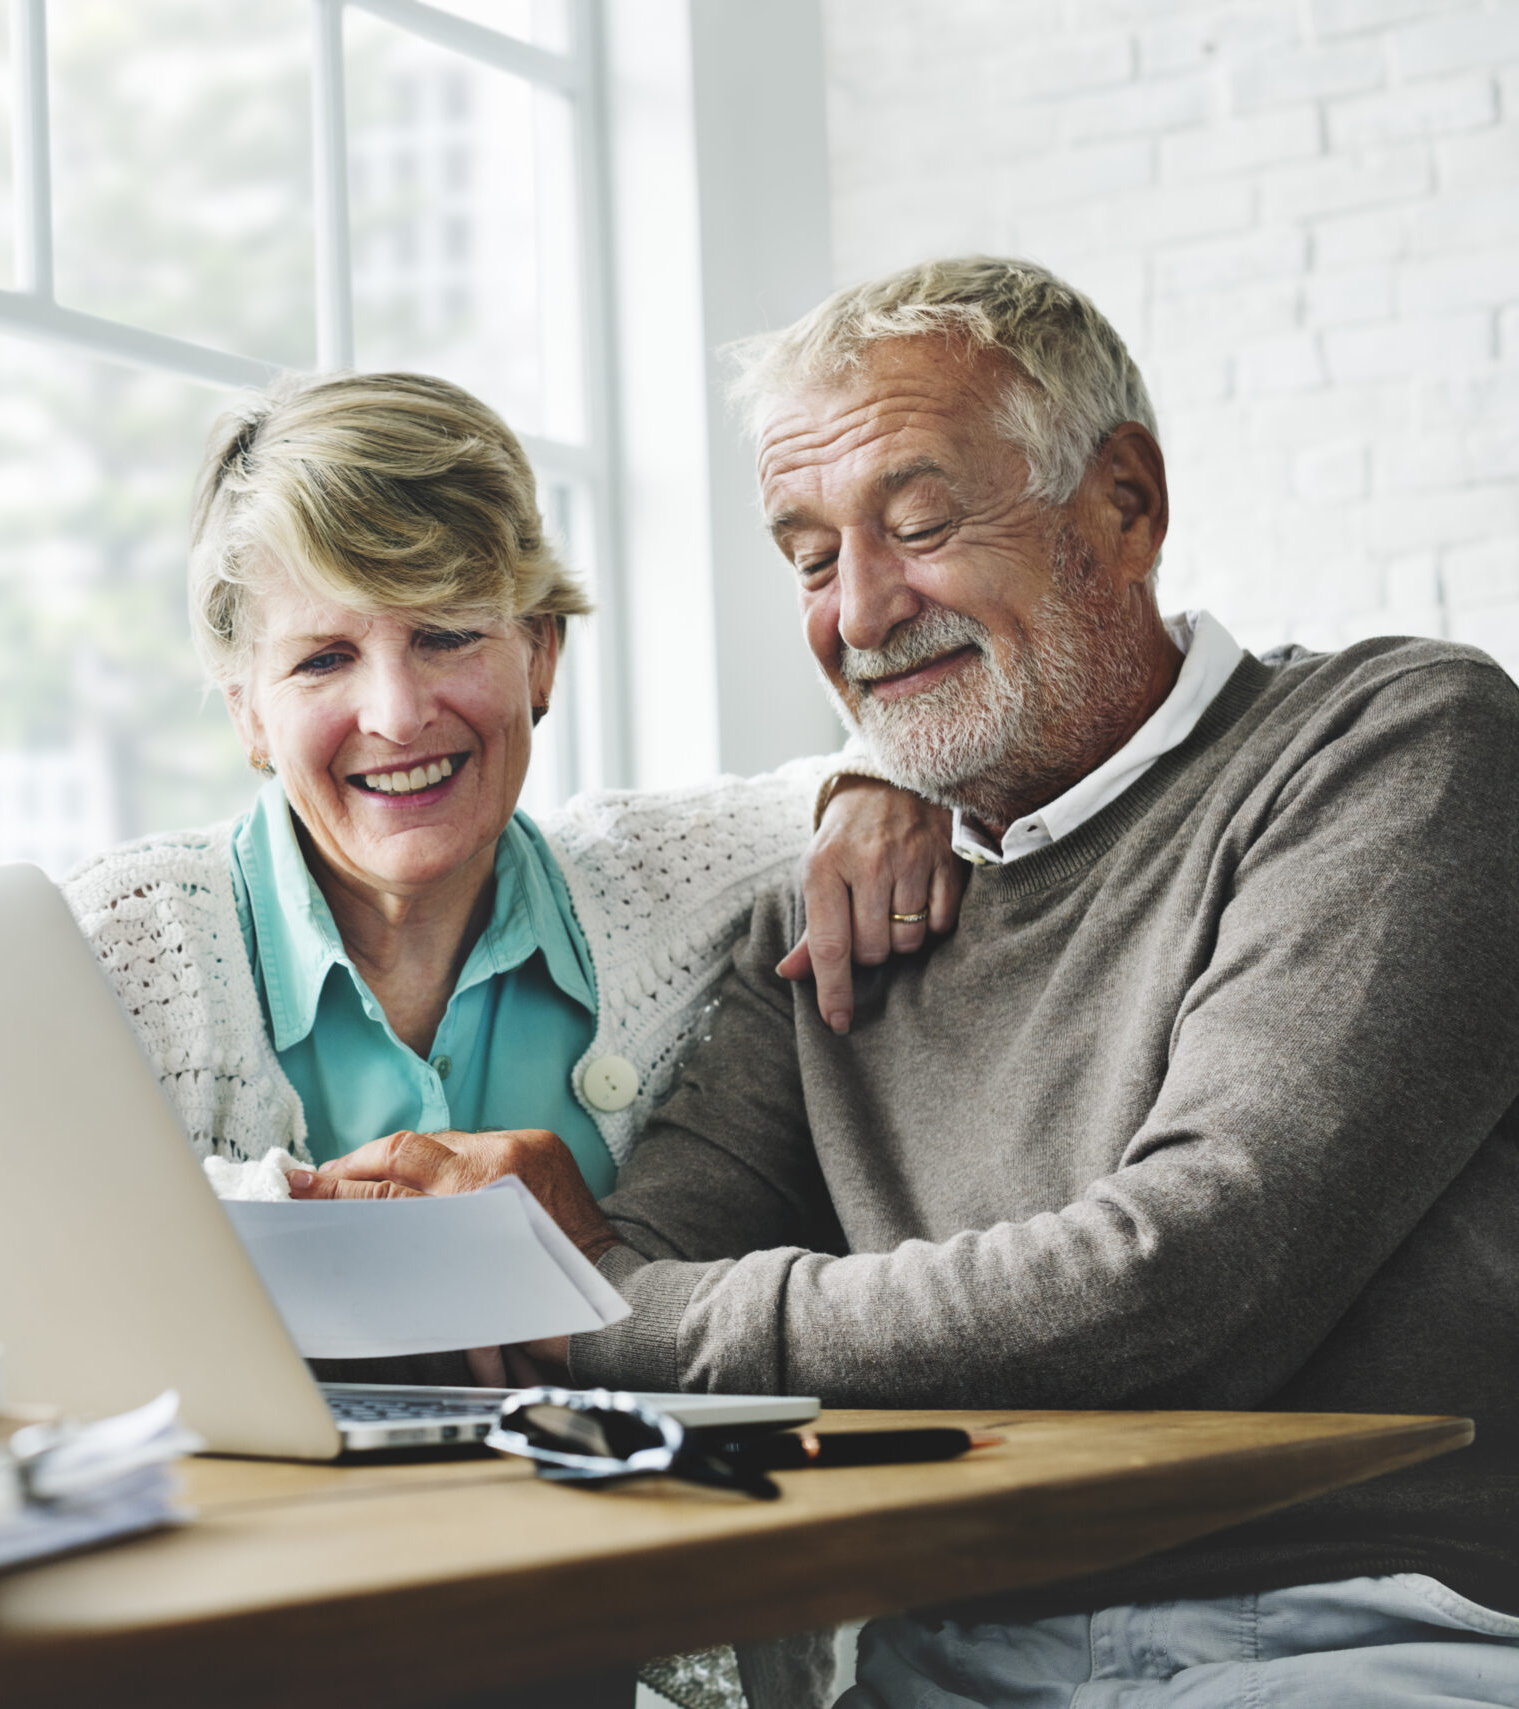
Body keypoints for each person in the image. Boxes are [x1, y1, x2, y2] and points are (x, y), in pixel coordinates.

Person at [294, 259, 1519, 1706]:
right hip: (944, 1656)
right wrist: (485, 1258)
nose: (862, 613)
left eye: (922, 524)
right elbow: (617, 1286)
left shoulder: (1396, 749)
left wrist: (602, 1304)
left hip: (1353, 1628)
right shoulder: (825, 923)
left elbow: (1185, 1279)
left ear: (1125, 505)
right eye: (810, 558)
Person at [65, 370, 957, 1205]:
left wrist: (874, 783)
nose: (398, 714)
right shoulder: (115, 946)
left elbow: (911, 758)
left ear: (541, 654)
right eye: (324, 659)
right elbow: (0, 1236)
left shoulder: (671, 886)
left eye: (446, 635)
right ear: (248, 714)